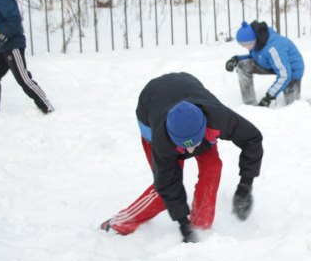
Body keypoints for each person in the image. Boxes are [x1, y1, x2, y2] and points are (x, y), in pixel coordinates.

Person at [100, 72, 264, 243]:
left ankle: (201, 226)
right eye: (185, 146)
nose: (191, 151)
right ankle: (119, 223)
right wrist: (182, 223)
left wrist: (245, 186)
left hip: (188, 93)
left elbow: (252, 139)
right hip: (151, 103)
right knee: (162, 190)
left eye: (194, 144)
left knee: (212, 166)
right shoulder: (161, 140)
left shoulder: (219, 118)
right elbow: (168, 183)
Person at [225, 20, 304, 107]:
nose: (244, 47)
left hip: (291, 71)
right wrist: (237, 59)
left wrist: (269, 97)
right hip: (272, 65)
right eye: (242, 44)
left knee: (293, 106)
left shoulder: (272, 48)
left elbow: (285, 75)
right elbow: (258, 56)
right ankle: (249, 105)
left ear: (253, 39)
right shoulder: (258, 42)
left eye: (246, 44)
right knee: (242, 66)